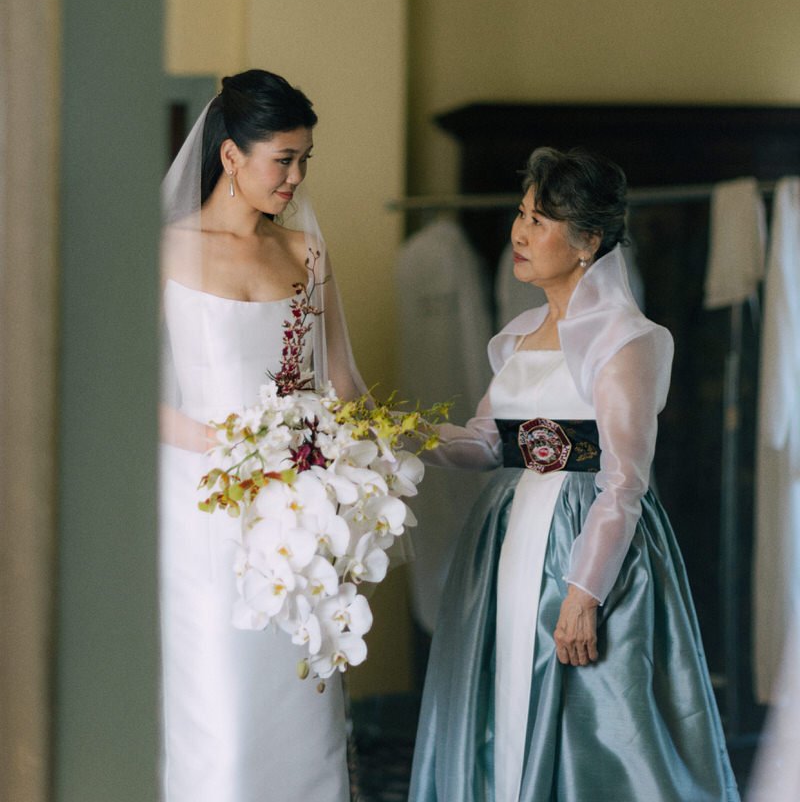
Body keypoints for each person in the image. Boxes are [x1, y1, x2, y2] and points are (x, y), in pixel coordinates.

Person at [409, 147, 739, 802]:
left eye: (540, 221)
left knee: (593, 729)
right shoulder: (520, 333)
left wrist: (584, 592)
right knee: (502, 700)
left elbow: (623, 479)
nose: (519, 234)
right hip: (506, 542)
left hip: (582, 546)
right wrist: (398, 435)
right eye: (521, 215)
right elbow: (487, 445)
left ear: (588, 240)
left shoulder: (627, 339)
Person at [159, 70, 360, 802]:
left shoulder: (306, 254)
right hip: (205, 509)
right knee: (221, 713)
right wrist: (237, 449)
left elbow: (341, 384)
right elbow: (127, 397)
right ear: (231, 157)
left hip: (299, 511)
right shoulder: (165, 253)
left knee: (302, 710)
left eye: (305, 158)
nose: (297, 176)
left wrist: (358, 480)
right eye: (284, 158)